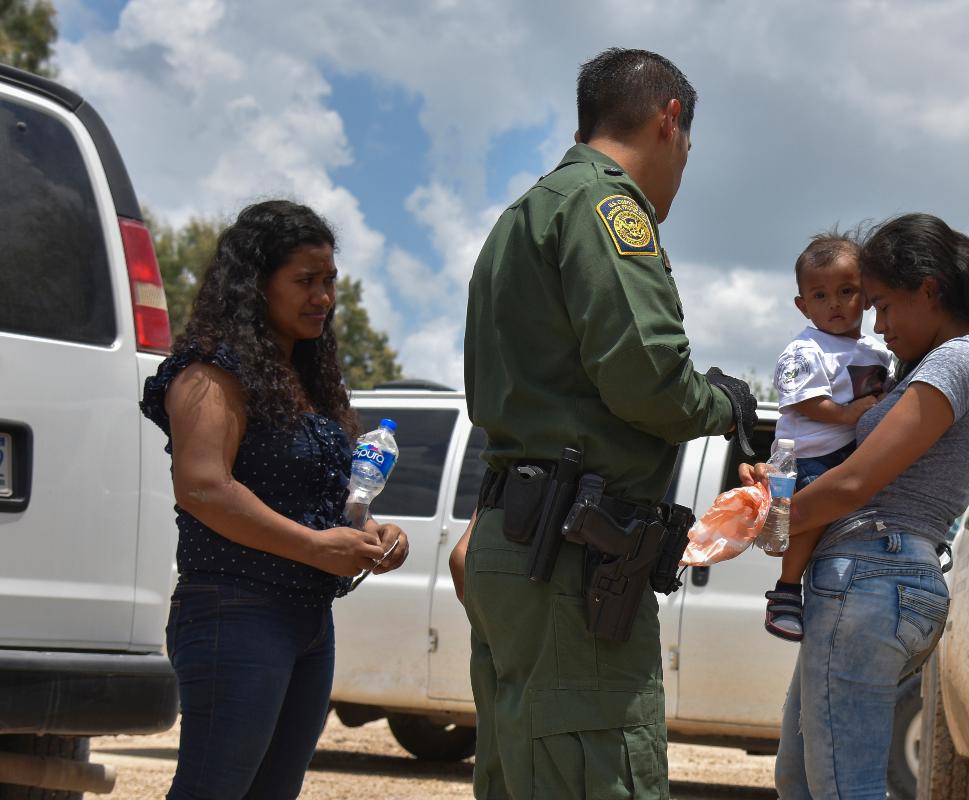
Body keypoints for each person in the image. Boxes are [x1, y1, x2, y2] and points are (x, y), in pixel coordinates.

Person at [457, 48, 757, 800]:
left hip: (522, 541)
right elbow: (649, 380)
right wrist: (727, 406)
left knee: (521, 775)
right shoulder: (607, 207)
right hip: (567, 556)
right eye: (687, 147)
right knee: (597, 775)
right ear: (671, 120)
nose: (684, 165)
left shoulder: (526, 213)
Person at [741, 213, 969, 799]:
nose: (876, 323)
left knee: (841, 788)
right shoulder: (940, 365)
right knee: (801, 779)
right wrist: (773, 492)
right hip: (875, 578)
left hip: (873, 575)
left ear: (928, 290)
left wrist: (772, 519)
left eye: (882, 304)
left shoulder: (958, 360)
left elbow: (855, 484)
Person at [140, 200, 410, 799]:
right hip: (235, 613)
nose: (323, 297)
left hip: (307, 622)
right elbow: (204, 487)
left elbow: (320, 500)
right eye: (305, 281)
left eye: (330, 280)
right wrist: (316, 546)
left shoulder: (308, 380)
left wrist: (374, 533)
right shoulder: (211, 372)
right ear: (256, 285)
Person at [764, 233, 892, 641]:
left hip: (853, 455)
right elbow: (802, 402)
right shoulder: (806, 350)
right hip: (811, 457)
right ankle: (785, 592)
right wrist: (846, 414)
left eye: (846, 291)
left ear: (868, 295)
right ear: (803, 305)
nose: (834, 303)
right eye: (820, 296)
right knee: (810, 520)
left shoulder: (880, 352)